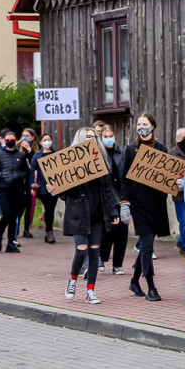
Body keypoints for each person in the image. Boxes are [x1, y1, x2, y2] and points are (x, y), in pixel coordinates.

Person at [50, 127, 121, 305]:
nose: (92, 140)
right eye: (88, 137)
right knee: (81, 250)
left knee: (94, 252)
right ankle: (73, 279)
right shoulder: (70, 164)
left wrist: (113, 211)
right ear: (80, 140)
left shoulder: (101, 163)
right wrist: (56, 189)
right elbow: (64, 193)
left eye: (94, 138)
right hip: (78, 214)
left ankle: (91, 291)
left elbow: (107, 190)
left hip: (97, 214)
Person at [120, 112, 171, 301]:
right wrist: (124, 204)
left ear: (153, 126)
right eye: (139, 124)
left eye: (145, 123)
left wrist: (177, 184)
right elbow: (125, 179)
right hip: (138, 206)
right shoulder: (130, 150)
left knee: (146, 246)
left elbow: (168, 176)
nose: (142, 127)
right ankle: (151, 286)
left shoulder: (162, 149)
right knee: (147, 245)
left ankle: (134, 281)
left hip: (156, 205)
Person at [0, 129, 30, 254]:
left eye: (12, 140)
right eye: (8, 140)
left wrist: (18, 175)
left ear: (16, 141)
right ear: (4, 141)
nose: (10, 142)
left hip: (17, 188)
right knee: (6, 214)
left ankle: (11, 242)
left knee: (14, 216)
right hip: (3, 188)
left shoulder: (20, 155)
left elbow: (26, 171)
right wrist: (0, 175)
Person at [96, 126, 129, 274]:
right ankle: (101, 258)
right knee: (107, 231)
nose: (108, 138)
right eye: (105, 136)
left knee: (122, 231)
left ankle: (117, 265)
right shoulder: (99, 155)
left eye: (111, 135)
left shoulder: (122, 153)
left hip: (122, 197)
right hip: (107, 199)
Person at [31, 133, 59, 245]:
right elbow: (32, 172)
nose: (47, 141)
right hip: (42, 187)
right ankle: (49, 232)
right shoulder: (37, 156)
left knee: (50, 210)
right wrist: (32, 185)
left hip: (54, 187)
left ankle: (49, 230)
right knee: (47, 208)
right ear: (41, 142)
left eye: (49, 139)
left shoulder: (56, 154)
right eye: (45, 140)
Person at [171, 127, 185, 257]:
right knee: (184, 221)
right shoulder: (171, 153)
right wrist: (176, 183)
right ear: (177, 139)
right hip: (179, 196)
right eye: (183, 137)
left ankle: (181, 241)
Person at [18, 128, 39, 238]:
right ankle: (15, 228)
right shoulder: (17, 148)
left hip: (30, 182)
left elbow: (35, 165)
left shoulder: (35, 151)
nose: (25, 138)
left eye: (28, 135)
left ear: (32, 137)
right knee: (19, 206)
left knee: (29, 206)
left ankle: (26, 229)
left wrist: (29, 151)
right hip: (19, 182)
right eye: (23, 135)